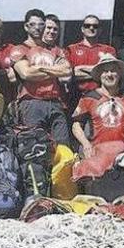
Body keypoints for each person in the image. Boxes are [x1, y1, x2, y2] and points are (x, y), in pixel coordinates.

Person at [9, 9, 73, 147]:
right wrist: (55, 71)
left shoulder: (55, 50)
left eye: (41, 24)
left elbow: (67, 71)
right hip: (31, 103)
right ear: (26, 26)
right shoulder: (20, 49)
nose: (37, 28)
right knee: (34, 147)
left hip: (55, 103)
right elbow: (26, 74)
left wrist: (39, 68)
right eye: (33, 24)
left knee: (63, 147)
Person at [70, 54, 124, 182]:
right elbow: (76, 125)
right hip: (98, 156)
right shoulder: (89, 98)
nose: (109, 74)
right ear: (99, 76)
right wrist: (85, 144)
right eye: (105, 71)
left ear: (119, 74)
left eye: (113, 70)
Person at [67, 14, 117, 99]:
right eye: (87, 26)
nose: (91, 28)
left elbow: (110, 74)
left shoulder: (109, 50)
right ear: (82, 29)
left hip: (100, 96)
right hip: (75, 96)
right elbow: (69, 74)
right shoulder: (71, 49)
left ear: (100, 30)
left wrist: (80, 69)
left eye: (95, 26)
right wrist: (99, 70)